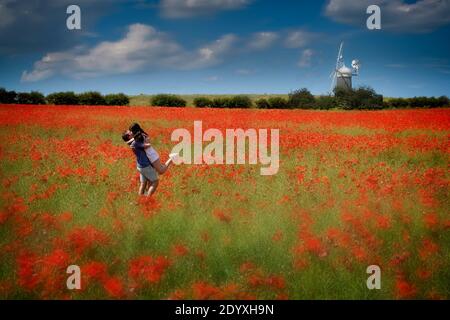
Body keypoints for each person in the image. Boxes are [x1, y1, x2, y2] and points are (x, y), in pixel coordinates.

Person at [122, 123, 177, 196]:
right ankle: (148, 199)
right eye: (129, 132)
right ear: (129, 136)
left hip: (140, 165)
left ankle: (142, 199)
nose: (130, 131)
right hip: (147, 163)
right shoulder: (135, 141)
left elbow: (138, 140)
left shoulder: (135, 141)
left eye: (130, 131)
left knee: (144, 183)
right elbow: (147, 145)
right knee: (156, 179)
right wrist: (147, 142)